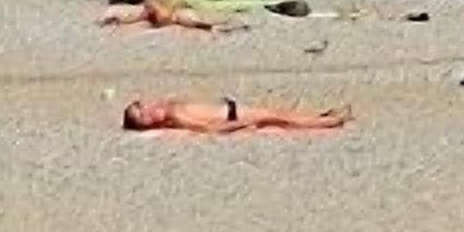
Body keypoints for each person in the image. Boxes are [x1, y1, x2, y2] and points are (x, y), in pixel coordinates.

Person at [120, 98, 350, 134]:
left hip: (231, 107)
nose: (146, 110)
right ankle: (329, 122)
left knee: (282, 113)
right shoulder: (174, 115)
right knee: (282, 118)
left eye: (141, 107)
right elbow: (209, 128)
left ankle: (321, 117)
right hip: (233, 114)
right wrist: (244, 123)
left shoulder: (168, 109)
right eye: (142, 115)